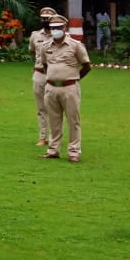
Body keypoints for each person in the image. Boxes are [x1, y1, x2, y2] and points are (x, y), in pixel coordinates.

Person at [41, 14, 91, 162]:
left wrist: (74, 78)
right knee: (54, 120)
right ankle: (53, 150)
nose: (55, 30)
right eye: (53, 28)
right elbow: (44, 65)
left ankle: (74, 151)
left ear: (64, 28)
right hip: (51, 88)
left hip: (70, 88)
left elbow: (87, 66)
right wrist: (52, 77)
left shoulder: (75, 45)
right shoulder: (46, 46)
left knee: (73, 120)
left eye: (58, 28)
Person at [28, 7, 58, 146]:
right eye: (43, 18)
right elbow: (32, 52)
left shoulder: (59, 35)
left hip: (55, 75)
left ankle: (55, 137)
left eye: (48, 18)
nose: (45, 20)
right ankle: (43, 137)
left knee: (55, 108)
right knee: (41, 108)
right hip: (39, 74)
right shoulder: (35, 35)